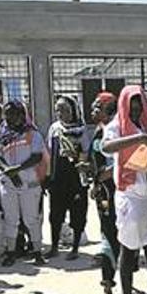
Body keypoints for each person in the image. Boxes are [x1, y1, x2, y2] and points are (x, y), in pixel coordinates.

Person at [101, 86, 147, 294]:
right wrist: (138, 138)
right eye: (133, 107)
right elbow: (106, 148)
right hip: (129, 193)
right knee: (129, 246)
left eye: (140, 106)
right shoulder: (117, 126)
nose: (137, 110)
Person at [0, 101, 46, 267]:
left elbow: (37, 156)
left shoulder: (32, 134)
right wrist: (9, 170)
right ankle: (11, 252)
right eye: (6, 113)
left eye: (13, 113)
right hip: (8, 182)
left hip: (29, 183)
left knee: (31, 219)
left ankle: (37, 252)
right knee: (11, 219)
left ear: (22, 115)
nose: (9, 117)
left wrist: (17, 169)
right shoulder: (1, 133)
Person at [47, 96, 91, 261]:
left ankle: (75, 247)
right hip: (58, 177)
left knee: (77, 213)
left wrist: (76, 156)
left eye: (65, 110)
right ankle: (53, 246)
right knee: (55, 214)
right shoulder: (54, 129)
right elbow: (50, 153)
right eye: (58, 109)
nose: (61, 113)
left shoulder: (81, 130)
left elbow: (85, 153)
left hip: (75, 178)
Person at [88, 93, 120, 294]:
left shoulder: (119, 131)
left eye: (99, 106)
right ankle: (107, 282)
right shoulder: (99, 132)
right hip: (105, 192)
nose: (94, 109)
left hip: (121, 189)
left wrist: (113, 170)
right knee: (108, 233)